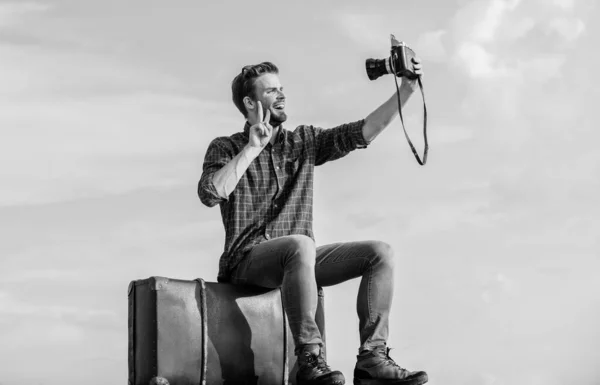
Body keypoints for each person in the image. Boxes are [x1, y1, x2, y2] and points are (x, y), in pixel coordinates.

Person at [198, 60, 428, 385]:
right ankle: (309, 357)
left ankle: (372, 359)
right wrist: (252, 147)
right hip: (248, 263)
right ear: (250, 103)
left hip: (300, 261)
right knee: (300, 245)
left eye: (281, 88)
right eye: (271, 90)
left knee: (380, 252)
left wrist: (406, 90)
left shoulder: (303, 142)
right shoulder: (227, 147)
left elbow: (364, 131)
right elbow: (211, 193)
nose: (281, 95)